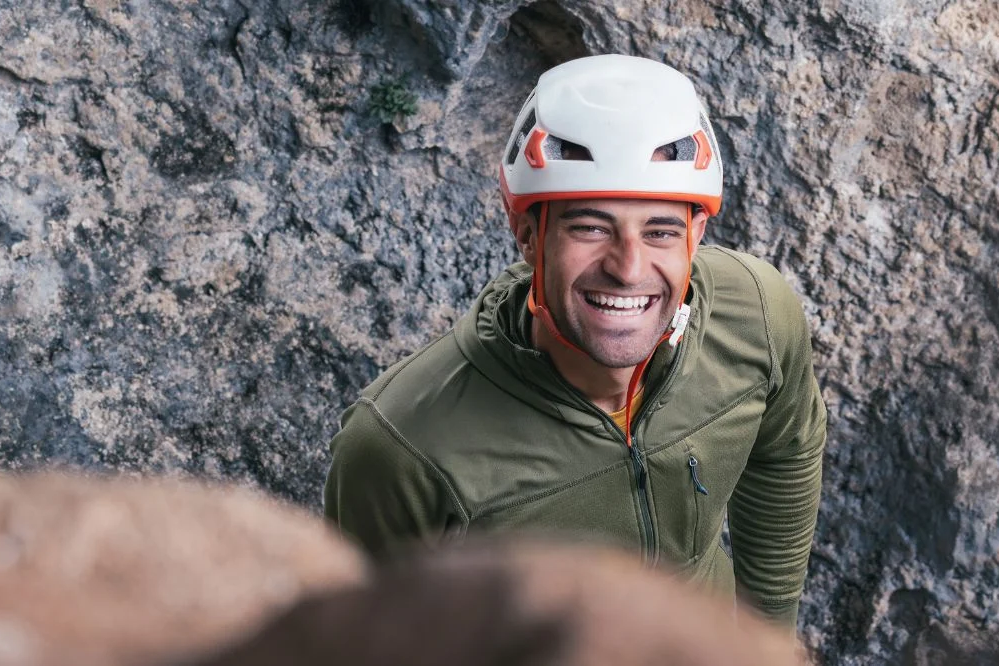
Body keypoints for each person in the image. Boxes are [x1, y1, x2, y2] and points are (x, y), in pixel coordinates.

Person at [323, 54, 827, 629]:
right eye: (590, 227)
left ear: (696, 236)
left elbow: (786, 453)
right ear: (528, 237)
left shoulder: (755, 313)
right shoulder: (402, 446)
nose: (628, 267)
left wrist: (769, 635)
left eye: (660, 230)